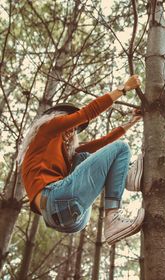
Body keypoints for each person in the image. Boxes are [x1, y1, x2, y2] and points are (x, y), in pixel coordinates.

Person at [17, 75, 144, 245]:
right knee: (121, 148)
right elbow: (87, 113)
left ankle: (127, 177)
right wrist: (123, 89)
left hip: (71, 218)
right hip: (55, 200)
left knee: (84, 156)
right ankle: (113, 215)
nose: (73, 130)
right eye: (71, 124)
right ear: (58, 117)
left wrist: (132, 122)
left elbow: (102, 144)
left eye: (76, 129)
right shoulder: (47, 129)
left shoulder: (68, 155)